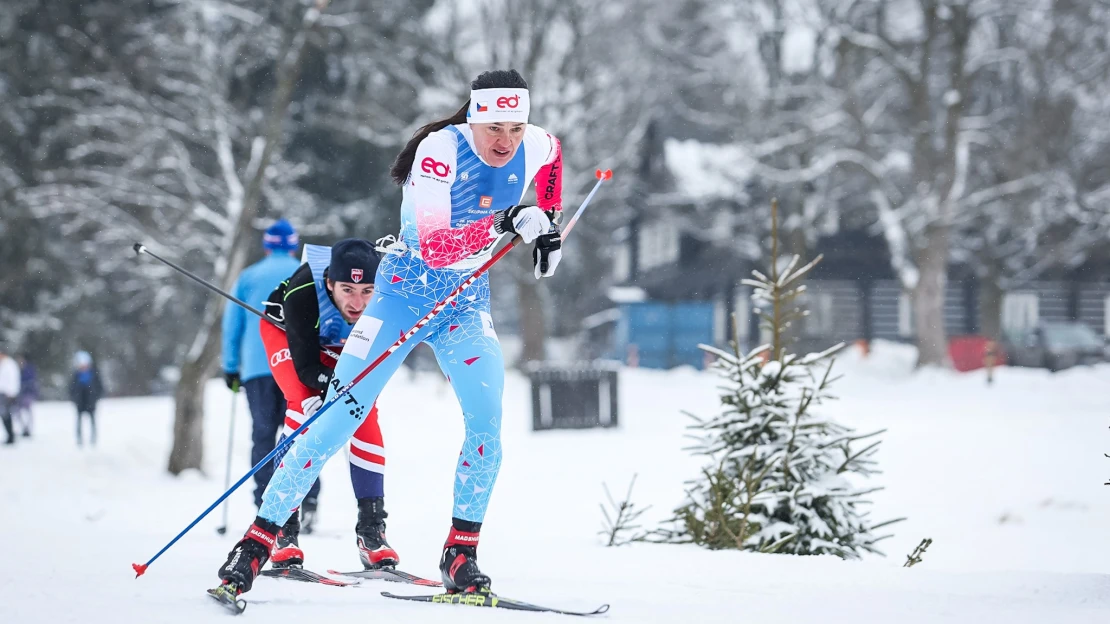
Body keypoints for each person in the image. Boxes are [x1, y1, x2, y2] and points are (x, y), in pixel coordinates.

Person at [216, 68, 564, 597]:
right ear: (474, 117)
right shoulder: (438, 152)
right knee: (336, 419)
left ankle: (460, 553)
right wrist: (508, 221)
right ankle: (258, 542)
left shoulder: (537, 144)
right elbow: (435, 247)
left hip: (464, 304)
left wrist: (548, 225)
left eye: (515, 128)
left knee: (487, 426)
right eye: (495, 126)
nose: (505, 140)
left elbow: (553, 163)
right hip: (402, 293)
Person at [258, 239, 398, 570]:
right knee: (301, 405)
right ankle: (282, 529)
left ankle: (371, 531)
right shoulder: (303, 290)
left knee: (363, 414)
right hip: (286, 333)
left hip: (338, 340)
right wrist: (327, 389)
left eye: (367, 291)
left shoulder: (388, 295)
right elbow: (307, 370)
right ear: (330, 283)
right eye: (348, 290)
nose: (358, 301)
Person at [221, 219, 317, 518]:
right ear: (294, 244)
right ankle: (307, 500)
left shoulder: (248, 276)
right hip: (299, 366)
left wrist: (231, 367)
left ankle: (265, 501)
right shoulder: (307, 273)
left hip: (258, 369)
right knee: (304, 432)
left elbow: (232, 326)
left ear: (266, 244)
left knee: (263, 435)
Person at [70, 350, 103, 447]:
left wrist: (95, 398)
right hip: (80, 402)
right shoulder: (76, 376)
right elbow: (71, 389)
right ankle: (79, 438)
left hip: (91, 402)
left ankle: (93, 438)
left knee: (92, 421)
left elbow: (99, 387)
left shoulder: (93, 374)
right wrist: (75, 399)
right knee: (79, 421)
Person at [15, 353, 38, 438]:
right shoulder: (19, 368)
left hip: (27, 393)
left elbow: (31, 381)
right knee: (18, 412)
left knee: (27, 412)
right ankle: (24, 428)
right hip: (20, 394)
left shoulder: (29, 368)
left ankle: (28, 429)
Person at [0, 349, 20, 445]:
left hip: (7, 394)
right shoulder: (4, 364)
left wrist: (11, 393)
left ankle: (11, 436)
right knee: (5, 415)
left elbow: (13, 380)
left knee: (6, 415)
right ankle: (10, 435)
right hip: (3, 393)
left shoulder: (9, 364)